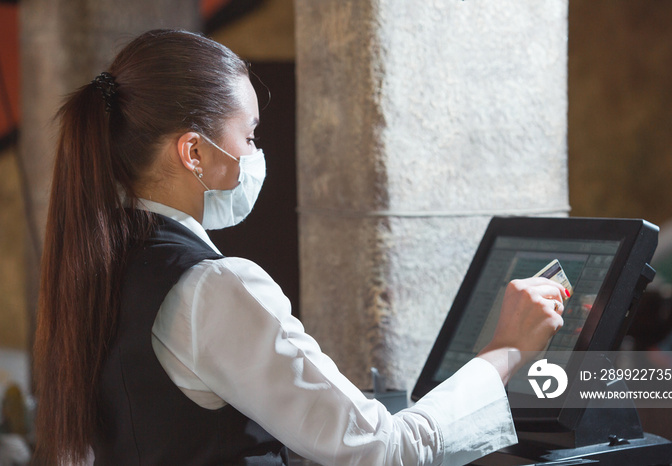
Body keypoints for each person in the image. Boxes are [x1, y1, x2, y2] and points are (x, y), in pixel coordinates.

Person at [33, 29, 568, 465]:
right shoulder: (209, 287)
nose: (255, 152)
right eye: (249, 136)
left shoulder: (100, 266)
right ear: (193, 151)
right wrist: (506, 351)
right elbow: (385, 450)